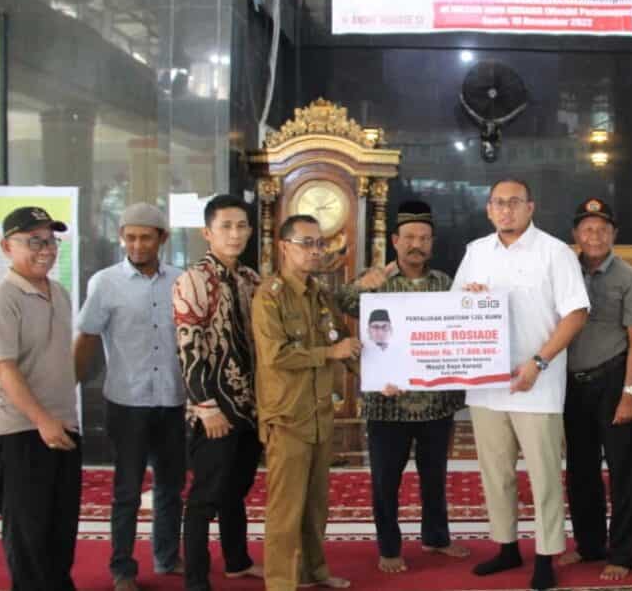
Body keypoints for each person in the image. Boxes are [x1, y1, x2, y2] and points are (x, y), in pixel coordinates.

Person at [453, 179, 589, 591]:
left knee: (544, 475)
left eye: (514, 202)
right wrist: (471, 297)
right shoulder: (476, 252)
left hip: (536, 383)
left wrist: (539, 361)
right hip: (485, 384)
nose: (506, 210)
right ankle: (506, 545)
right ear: (488, 209)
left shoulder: (555, 252)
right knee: (496, 473)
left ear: (531, 206)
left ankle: (547, 553)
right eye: (498, 203)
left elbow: (576, 314)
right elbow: (453, 306)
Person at [336, 200, 470, 573]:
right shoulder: (377, 280)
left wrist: (475, 297)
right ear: (395, 240)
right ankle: (389, 547)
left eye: (424, 238)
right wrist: (363, 285)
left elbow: (464, 324)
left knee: (434, 478)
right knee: (385, 481)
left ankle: (436, 538)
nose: (417, 244)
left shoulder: (445, 283)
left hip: (436, 403)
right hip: (386, 403)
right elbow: (339, 303)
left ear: (432, 242)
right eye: (409, 237)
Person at [74, 203, 185, 591]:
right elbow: (86, 337)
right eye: (130, 237)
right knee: (126, 490)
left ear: (162, 239)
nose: (136, 245)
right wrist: (68, 387)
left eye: (145, 237)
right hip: (126, 404)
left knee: (171, 487)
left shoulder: (182, 281)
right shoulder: (104, 283)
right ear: (122, 237)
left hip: (173, 401)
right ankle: (122, 568)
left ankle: (167, 557)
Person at [252, 214, 361, 590]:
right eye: (307, 244)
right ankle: (281, 582)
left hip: (319, 416)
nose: (316, 251)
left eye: (320, 244)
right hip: (288, 418)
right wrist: (330, 352)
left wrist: (382, 379)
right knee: (285, 510)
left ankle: (315, 570)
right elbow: (276, 356)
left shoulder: (321, 293)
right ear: (284, 247)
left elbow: (346, 345)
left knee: (316, 507)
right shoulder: (270, 296)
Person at [0, 206, 81, 591]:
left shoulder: (60, 292)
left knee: (60, 529)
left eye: (51, 240)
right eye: (34, 241)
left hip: (62, 426)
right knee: (28, 536)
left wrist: (58, 420)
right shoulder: (0, 300)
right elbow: (5, 369)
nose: (46, 249)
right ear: (7, 247)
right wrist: (42, 420)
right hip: (19, 431)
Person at [173, 194, 262, 591]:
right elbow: (187, 346)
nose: (235, 234)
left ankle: (237, 560)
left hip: (248, 406)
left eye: (241, 226)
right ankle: (195, 579)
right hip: (214, 408)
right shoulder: (194, 279)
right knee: (205, 496)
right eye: (226, 226)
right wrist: (205, 406)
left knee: (236, 490)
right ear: (207, 232)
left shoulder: (249, 279)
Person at [558, 198, 632, 582]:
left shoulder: (628, 277)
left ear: (614, 234)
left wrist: (630, 392)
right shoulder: (562, 272)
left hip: (613, 380)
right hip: (571, 384)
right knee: (580, 470)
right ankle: (589, 545)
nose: (595, 236)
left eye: (602, 229)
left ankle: (622, 554)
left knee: (623, 471)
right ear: (575, 235)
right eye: (587, 229)